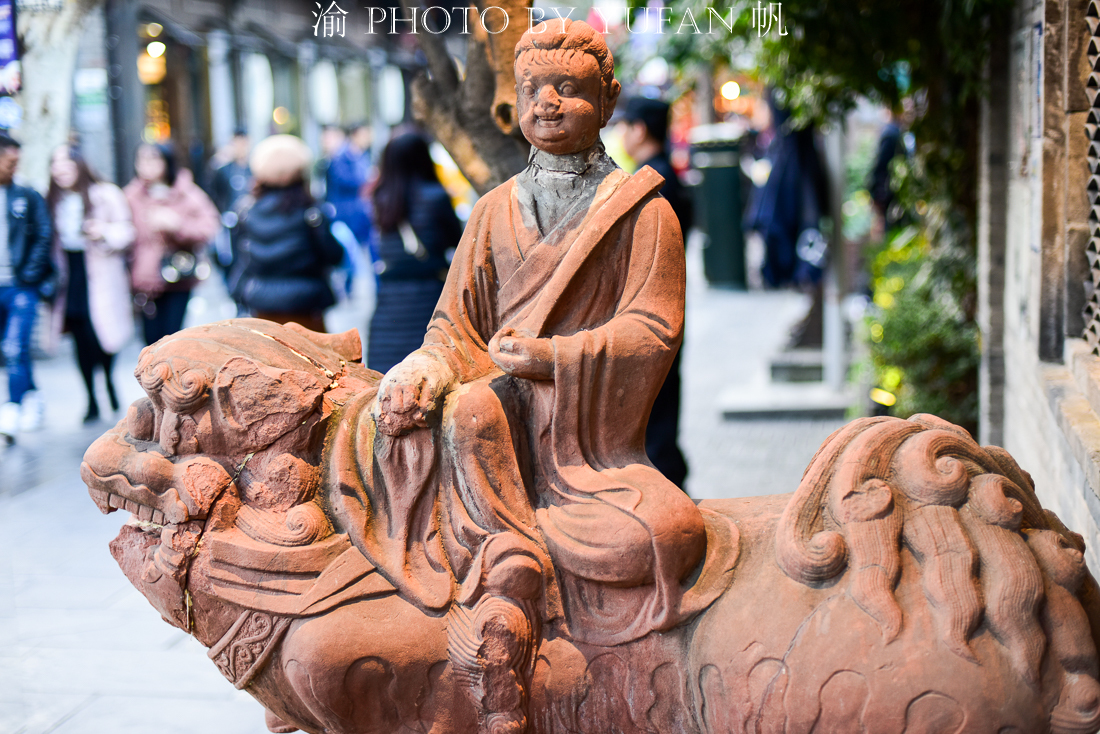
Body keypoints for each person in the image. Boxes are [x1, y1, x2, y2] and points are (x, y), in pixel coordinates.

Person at [333, 21, 708, 733]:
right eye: (536, 90)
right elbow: (454, 328)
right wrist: (420, 366)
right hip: (491, 446)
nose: (549, 104)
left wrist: (558, 358)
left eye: (570, 89)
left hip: (587, 452)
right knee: (467, 410)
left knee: (662, 536)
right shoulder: (492, 211)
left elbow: (653, 329)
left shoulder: (642, 212)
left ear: (610, 98)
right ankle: (510, 571)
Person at [618, 96, 692, 489]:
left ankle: (668, 495)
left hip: (653, 313)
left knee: (654, 414)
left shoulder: (652, 182)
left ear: (639, 130)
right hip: (666, 309)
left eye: (623, 125)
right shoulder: (664, 175)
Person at [46, 145, 135, 423]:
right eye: (55, 166)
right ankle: (91, 399)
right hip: (70, 275)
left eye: (66, 165)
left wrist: (103, 231)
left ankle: (107, 380)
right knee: (80, 336)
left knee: (104, 335)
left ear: (79, 166)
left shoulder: (105, 194)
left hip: (101, 274)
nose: (61, 172)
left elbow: (126, 232)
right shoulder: (52, 199)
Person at [367, 132, 462, 373]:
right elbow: (456, 240)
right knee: (430, 367)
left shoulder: (382, 198)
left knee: (390, 368)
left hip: (390, 298)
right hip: (430, 293)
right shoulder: (436, 196)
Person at [229, 134, 344, 333]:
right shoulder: (311, 213)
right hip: (307, 306)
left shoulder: (246, 212)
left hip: (261, 304)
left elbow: (238, 258)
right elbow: (334, 255)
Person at [124, 143, 220, 345]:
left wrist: (177, 225)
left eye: (154, 159)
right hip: (144, 280)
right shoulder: (130, 196)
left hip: (179, 277)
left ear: (167, 162)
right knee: (150, 341)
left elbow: (210, 227)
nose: (147, 165)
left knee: (173, 338)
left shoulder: (186, 192)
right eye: (142, 159)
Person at [0, 133, 52, 442]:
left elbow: (44, 236)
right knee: (10, 348)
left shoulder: (27, 196)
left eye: (16, 162)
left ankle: (12, 407)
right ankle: (32, 396)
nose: (12, 168)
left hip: (20, 287)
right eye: (8, 161)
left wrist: (28, 277)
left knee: (13, 347)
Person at [325, 122, 373, 249]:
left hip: (360, 209)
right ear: (355, 135)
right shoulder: (342, 156)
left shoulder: (362, 155)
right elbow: (344, 180)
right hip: (346, 211)